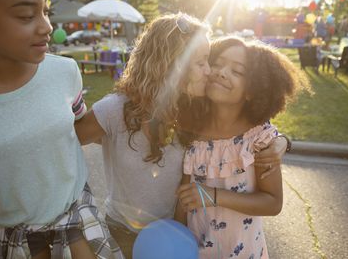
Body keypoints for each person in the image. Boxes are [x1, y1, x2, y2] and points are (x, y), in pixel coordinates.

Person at [75, 13, 289, 258]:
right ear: (172, 65)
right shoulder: (114, 110)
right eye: (202, 62)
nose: (210, 71)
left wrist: (282, 142)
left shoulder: (192, 113)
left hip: (177, 235)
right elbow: (63, 144)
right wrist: (78, 222)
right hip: (121, 232)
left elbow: (243, 126)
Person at [0, 0, 122, 258]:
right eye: (25, 15)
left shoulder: (64, 72)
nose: (47, 27)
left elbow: (76, 126)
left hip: (77, 221)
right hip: (11, 237)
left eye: (45, 11)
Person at [175, 37, 310, 258]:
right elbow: (184, 198)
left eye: (237, 71)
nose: (221, 72)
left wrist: (213, 196)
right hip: (194, 249)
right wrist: (176, 239)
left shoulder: (259, 140)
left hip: (243, 252)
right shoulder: (192, 132)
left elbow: (273, 203)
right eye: (217, 64)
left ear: (252, 91)